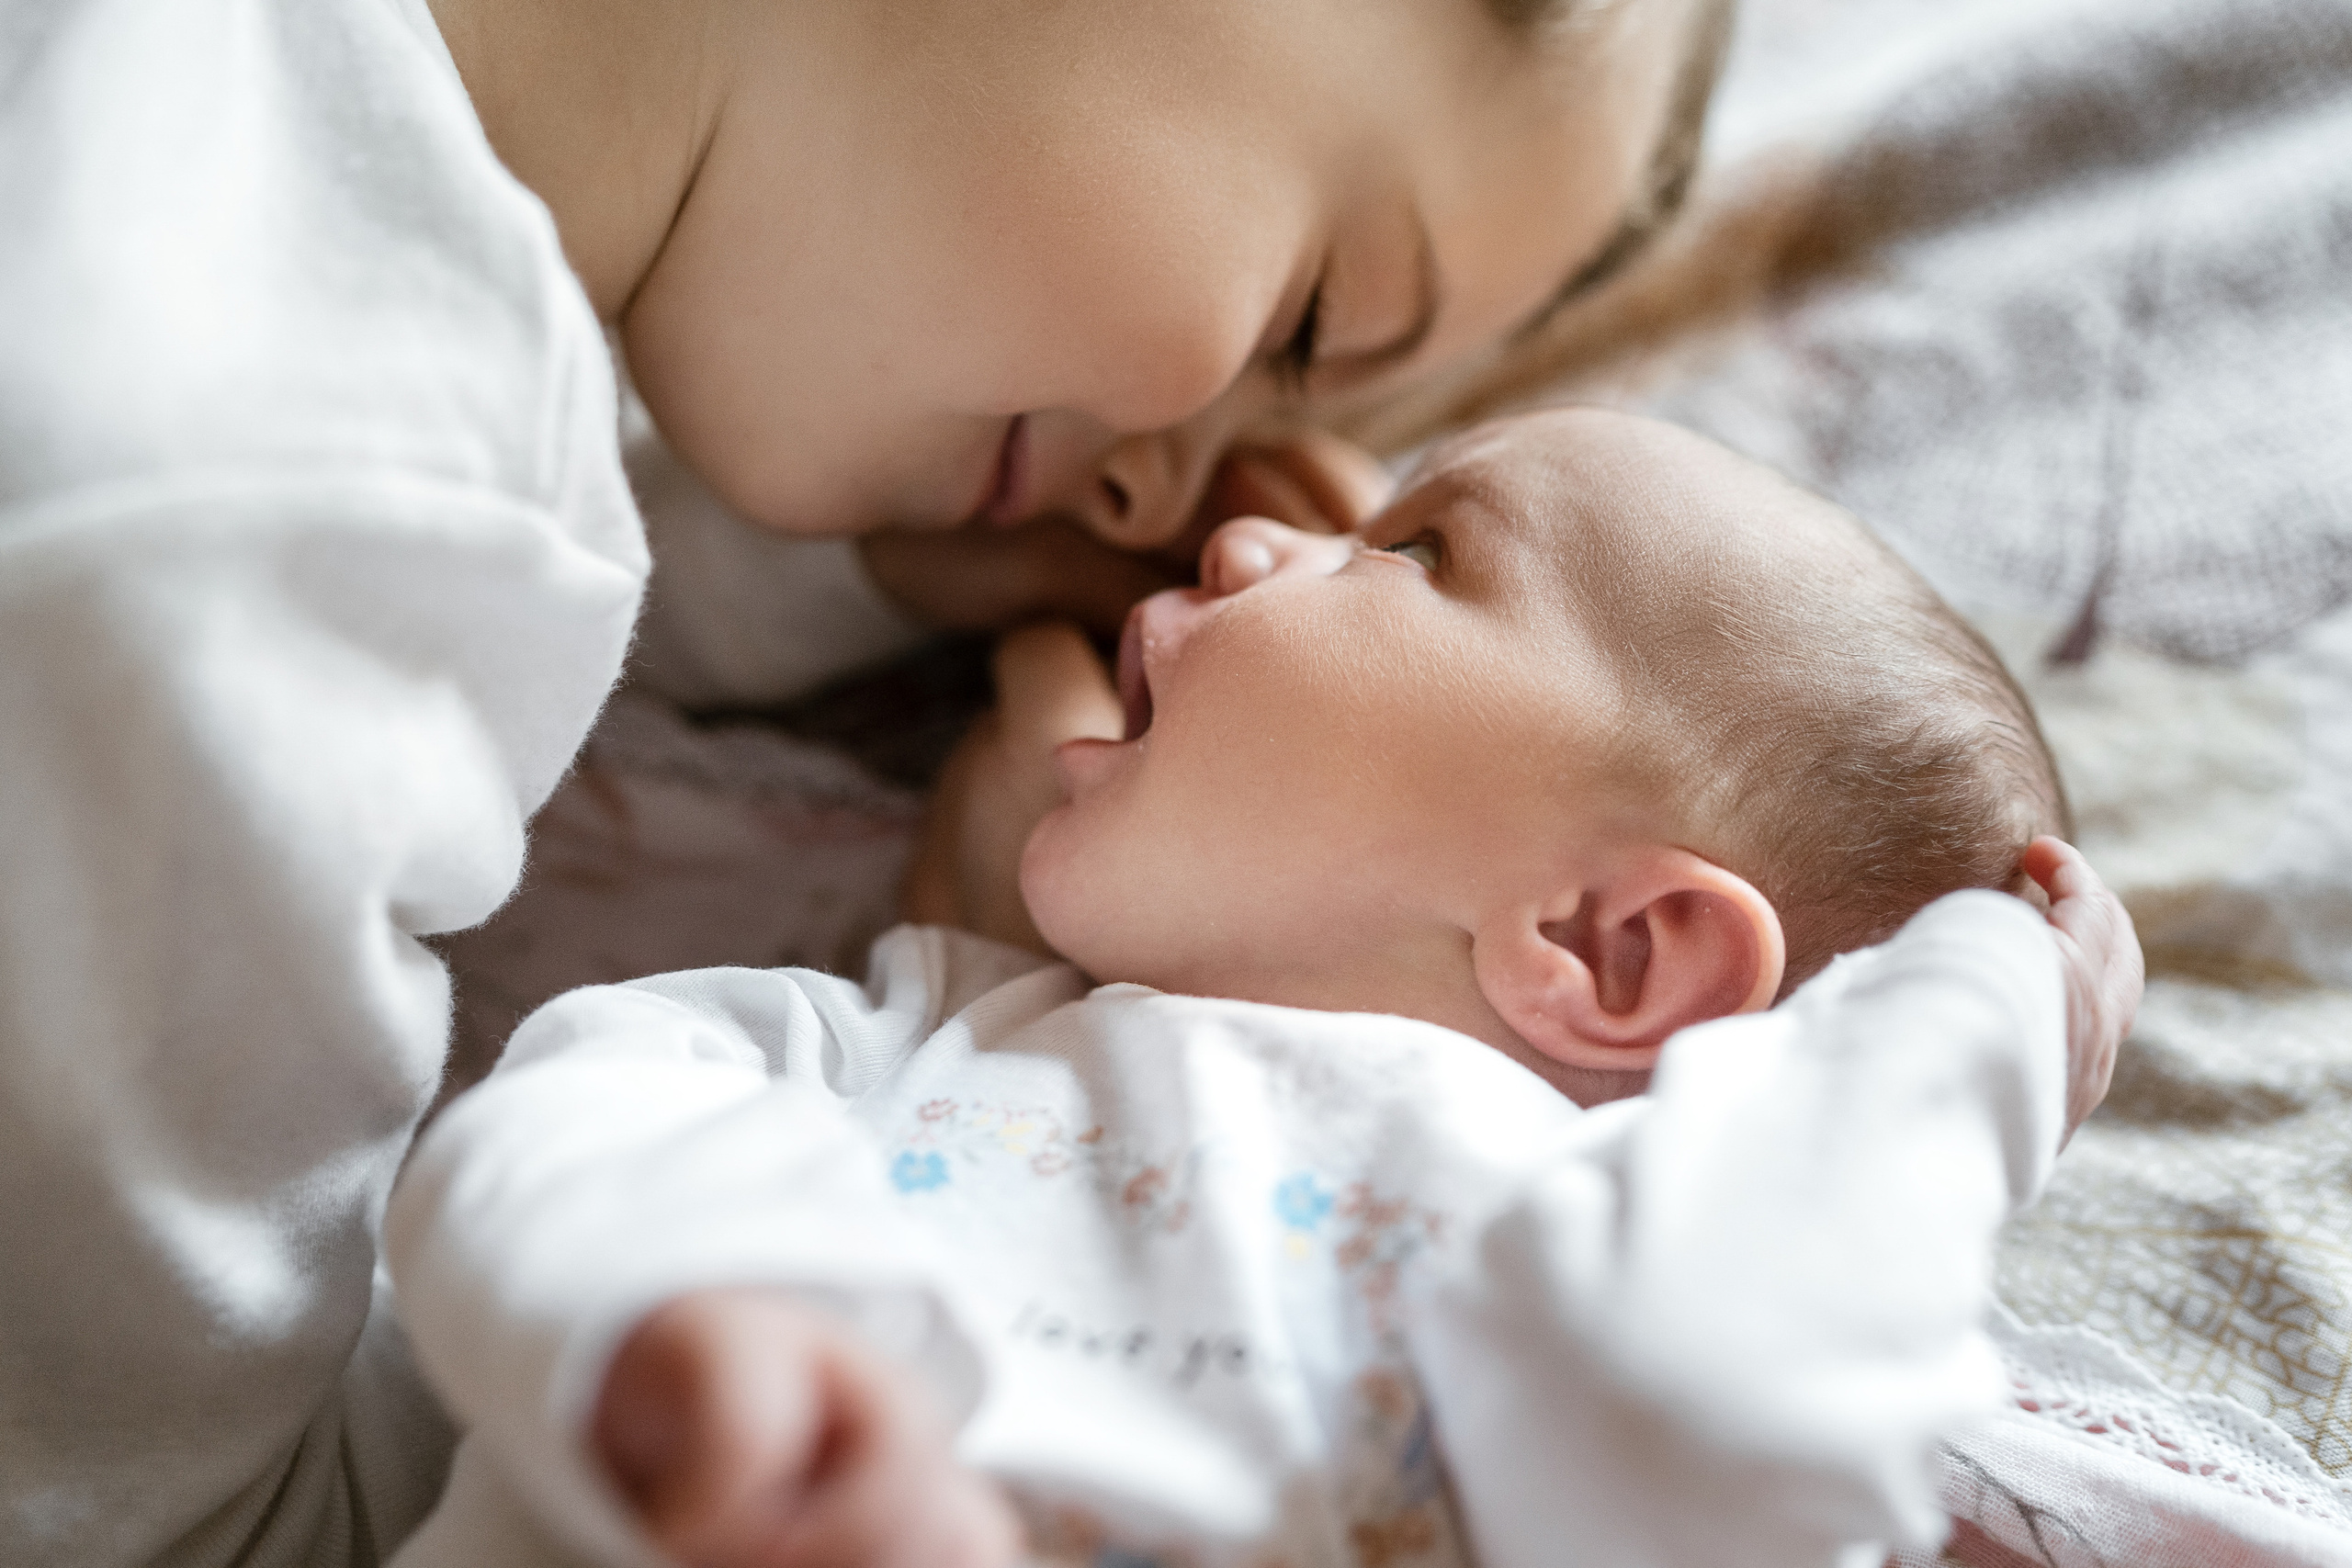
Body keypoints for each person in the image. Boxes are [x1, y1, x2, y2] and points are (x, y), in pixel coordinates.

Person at [0, 0, 1750, 1562]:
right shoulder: (203, 549)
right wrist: (952, 1105)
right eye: (1310, 320)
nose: (1165, 502)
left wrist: (860, 579)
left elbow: (407, 613)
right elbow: (186, 1530)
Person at [382, 411, 2144, 1568]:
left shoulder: (1617, 1261)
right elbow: (557, 1125)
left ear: (1608, 949)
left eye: (1418, 554)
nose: (1240, 543)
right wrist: (692, 1327)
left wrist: (1976, 1008)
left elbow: (1726, 1378)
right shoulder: (908, 1031)